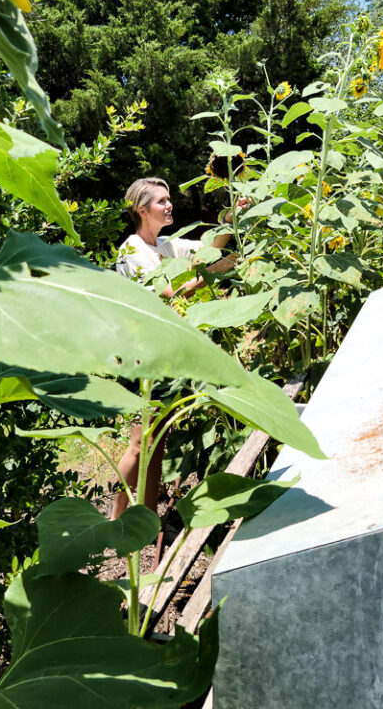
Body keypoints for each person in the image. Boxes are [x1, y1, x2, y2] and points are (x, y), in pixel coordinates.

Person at [112, 177, 245, 520]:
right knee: (141, 443)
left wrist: (229, 221)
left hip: (167, 355)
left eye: (169, 199)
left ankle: (147, 517)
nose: (169, 205)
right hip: (144, 357)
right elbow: (166, 296)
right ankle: (116, 518)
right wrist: (210, 274)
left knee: (157, 443)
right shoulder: (131, 251)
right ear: (142, 210)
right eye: (161, 201)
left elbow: (208, 251)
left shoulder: (167, 245)